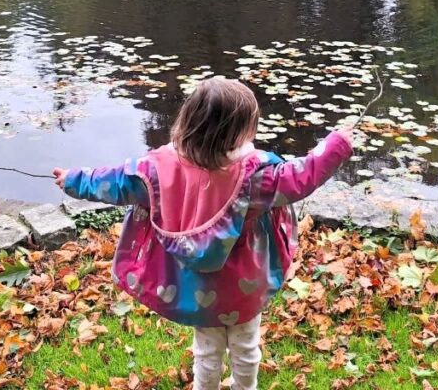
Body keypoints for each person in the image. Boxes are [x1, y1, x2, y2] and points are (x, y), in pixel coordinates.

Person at [52, 78, 353, 390]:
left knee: (207, 347)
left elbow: (114, 181)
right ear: (239, 132)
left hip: (195, 284)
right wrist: (336, 146)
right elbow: (300, 176)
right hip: (245, 281)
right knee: (245, 345)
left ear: (190, 121)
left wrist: (74, 179)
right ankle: (244, 387)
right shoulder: (255, 177)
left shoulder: (157, 168)